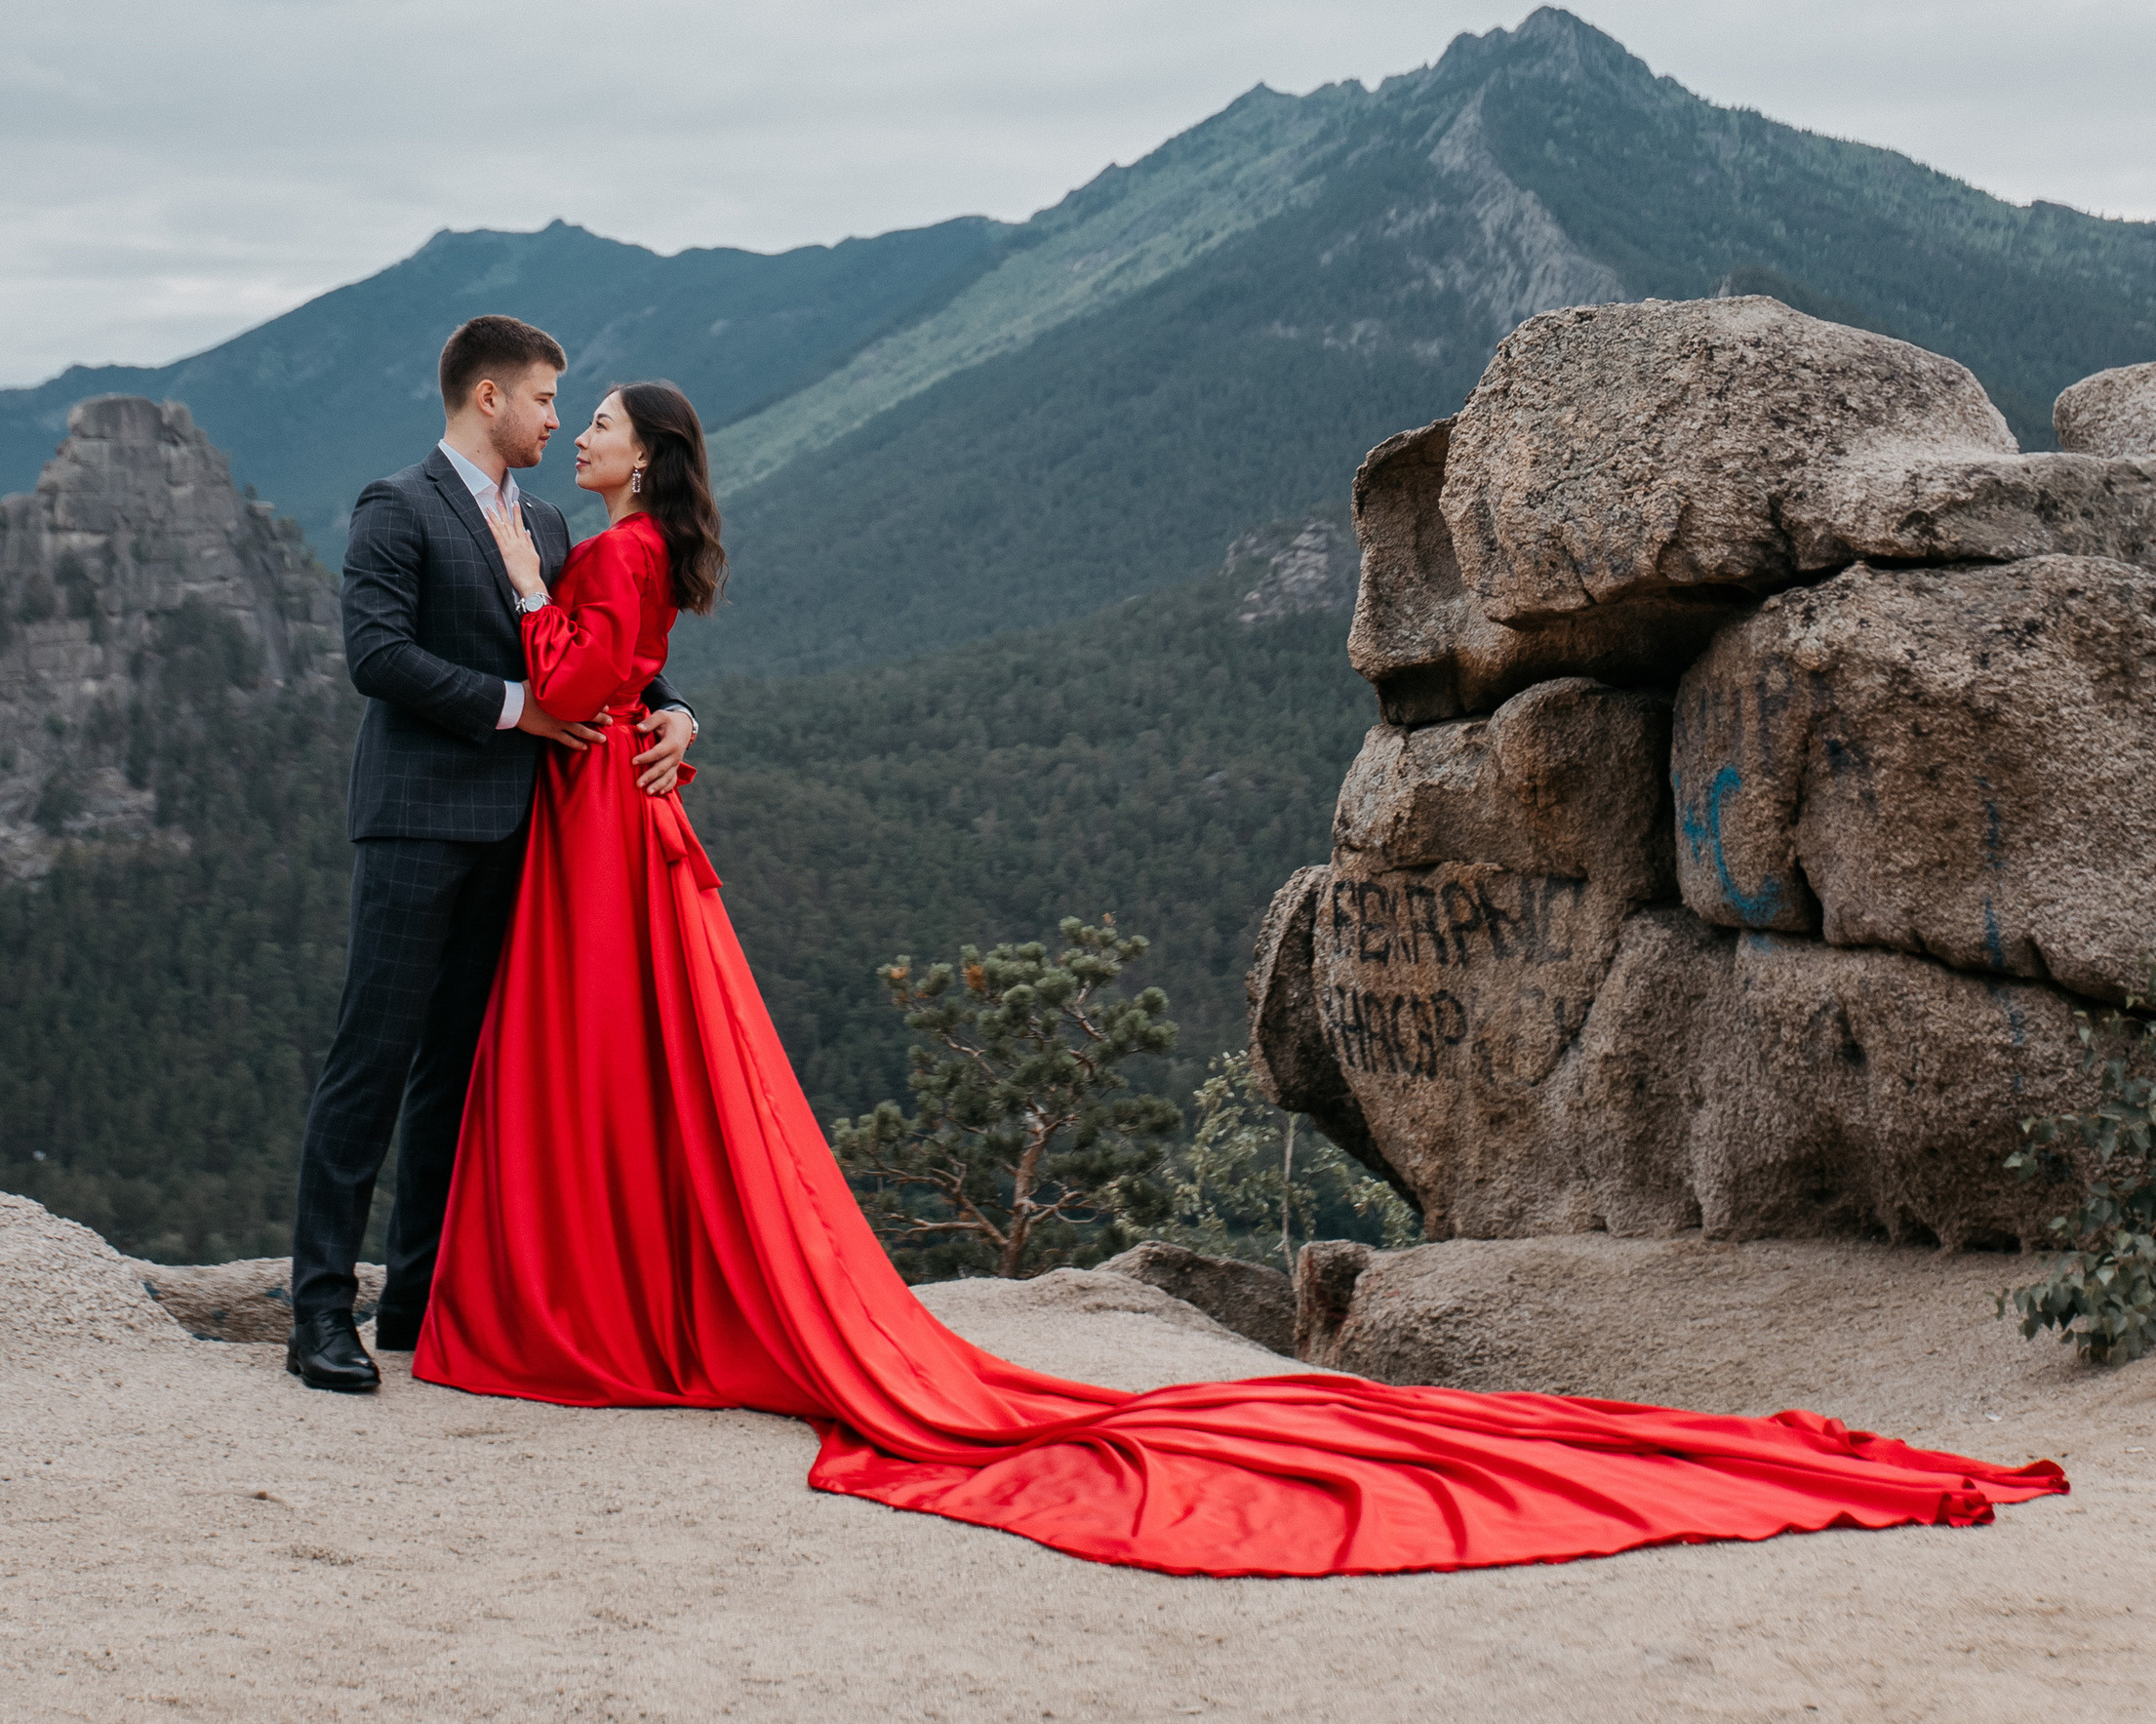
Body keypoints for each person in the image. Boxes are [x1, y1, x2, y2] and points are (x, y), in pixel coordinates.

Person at [414, 379, 2068, 1579]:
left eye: (602, 420)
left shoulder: (610, 551)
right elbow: (625, 681)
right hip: (613, 813)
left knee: (611, 1058)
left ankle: (597, 1294)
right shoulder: (630, 543)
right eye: (572, 412)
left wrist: (570, 643)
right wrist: (645, 705)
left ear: (649, 455)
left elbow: (582, 674)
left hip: (593, 816)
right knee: (647, 1062)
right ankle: (632, 1287)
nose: (585, 434)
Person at [285, 312, 697, 1391]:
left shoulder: (553, 526)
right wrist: (517, 709)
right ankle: (320, 1313)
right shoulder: (396, 505)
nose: (558, 421)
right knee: (370, 1062)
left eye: (568, 407)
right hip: (418, 819)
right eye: (547, 400)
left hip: (528, 838)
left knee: (456, 1075)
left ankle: (416, 1306)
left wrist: (677, 709)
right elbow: (376, 657)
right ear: (488, 398)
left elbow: (606, 652)